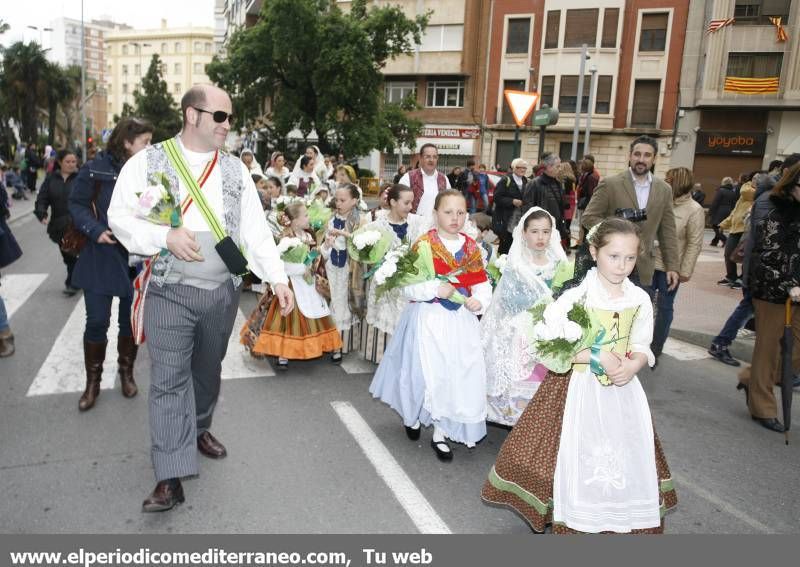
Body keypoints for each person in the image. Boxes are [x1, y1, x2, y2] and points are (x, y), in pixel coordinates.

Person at [107, 84, 293, 512]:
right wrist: (163, 236)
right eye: (221, 117)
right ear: (192, 116)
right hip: (169, 292)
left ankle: (200, 426)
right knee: (169, 381)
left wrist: (278, 278)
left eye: (230, 117)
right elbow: (119, 217)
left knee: (206, 372)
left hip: (221, 294)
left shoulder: (235, 170)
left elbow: (255, 230)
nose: (229, 125)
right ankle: (169, 476)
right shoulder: (146, 163)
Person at [482, 218, 677, 534]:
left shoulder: (639, 298)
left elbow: (642, 343)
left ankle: (614, 513)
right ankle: (575, 512)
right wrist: (593, 355)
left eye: (630, 258)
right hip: (578, 388)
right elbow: (546, 346)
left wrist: (633, 365)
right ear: (594, 251)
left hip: (622, 391)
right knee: (574, 451)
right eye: (614, 256)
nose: (622, 265)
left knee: (621, 452)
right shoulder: (576, 297)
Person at [370, 190, 492, 461]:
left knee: (455, 376)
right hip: (428, 321)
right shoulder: (424, 245)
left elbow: (482, 284)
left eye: (460, 213)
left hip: (460, 324)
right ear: (436, 214)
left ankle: (440, 431)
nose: (455, 218)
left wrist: (479, 301)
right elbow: (408, 287)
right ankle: (412, 417)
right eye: (448, 212)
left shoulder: (472, 248)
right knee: (424, 375)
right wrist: (435, 288)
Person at [68, 118, 154, 411]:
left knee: (129, 322)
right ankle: (93, 382)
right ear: (127, 142)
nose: (149, 147)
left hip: (135, 257)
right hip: (100, 255)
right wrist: (95, 230)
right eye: (145, 141)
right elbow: (76, 204)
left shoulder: (148, 172)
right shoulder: (95, 168)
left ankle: (126, 372)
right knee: (96, 321)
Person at [482, 207, 567, 426]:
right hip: (521, 334)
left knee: (545, 381)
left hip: (550, 333)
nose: (541, 237)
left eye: (546, 232)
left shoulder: (559, 264)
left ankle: (538, 426)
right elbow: (507, 302)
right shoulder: (517, 265)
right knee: (523, 379)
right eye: (535, 231)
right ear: (524, 233)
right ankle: (518, 425)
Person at [736, 163, 800, 433]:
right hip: (772, 290)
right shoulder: (773, 208)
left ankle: (752, 377)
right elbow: (765, 253)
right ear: (792, 184)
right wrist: (790, 284)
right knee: (769, 348)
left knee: (794, 352)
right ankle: (762, 407)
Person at [241, 201, 342, 369]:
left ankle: (330, 346)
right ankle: (284, 353)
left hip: (308, 284)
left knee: (318, 313)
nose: (309, 218)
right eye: (305, 215)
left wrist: (326, 246)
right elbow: (281, 265)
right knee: (287, 318)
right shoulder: (286, 239)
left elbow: (315, 256)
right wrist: (301, 268)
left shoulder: (308, 236)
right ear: (294, 220)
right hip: (291, 284)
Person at [581, 135, 679, 290]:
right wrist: (615, 225)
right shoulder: (610, 184)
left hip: (643, 267)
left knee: (639, 312)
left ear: (654, 159)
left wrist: (672, 266)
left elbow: (668, 231)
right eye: (637, 154)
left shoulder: (664, 189)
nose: (641, 159)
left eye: (647, 155)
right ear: (630, 156)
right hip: (610, 264)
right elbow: (588, 218)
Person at [362, 184, 428, 363]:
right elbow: (366, 254)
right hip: (385, 282)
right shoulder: (376, 226)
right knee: (385, 315)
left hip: (408, 282)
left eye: (411, 203)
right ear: (392, 202)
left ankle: (404, 358)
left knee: (406, 317)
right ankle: (383, 359)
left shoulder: (417, 223)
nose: (410, 207)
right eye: (406, 203)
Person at [650, 167, 705, 362]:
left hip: (670, 269)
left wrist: (685, 271)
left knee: (665, 307)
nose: (665, 182)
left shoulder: (694, 210)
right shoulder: (660, 201)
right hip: (648, 262)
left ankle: (656, 347)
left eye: (669, 179)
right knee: (643, 305)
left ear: (678, 182)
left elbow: (694, 243)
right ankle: (638, 343)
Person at [320, 183, 368, 355]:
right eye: (336, 200)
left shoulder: (360, 220)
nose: (338, 203)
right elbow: (323, 249)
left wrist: (345, 235)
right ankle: (329, 343)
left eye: (343, 200)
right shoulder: (331, 219)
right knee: (331, 302)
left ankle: (340, 346)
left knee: (344, 304)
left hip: (350, 269)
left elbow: (364, 245)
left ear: (354, 201)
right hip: (332, 268)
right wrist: (326, 244)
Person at [34, 149, 80, 296]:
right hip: (58, 225)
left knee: (73, 253)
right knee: (67, 255)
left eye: (74, 161)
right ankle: (75, 279)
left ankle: (73, 283)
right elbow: (42, 198)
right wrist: (41, 213)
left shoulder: (81, 178)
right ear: (60, 162)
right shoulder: (51, 179)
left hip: (78, 224)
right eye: (68, 161)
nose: (71, 164)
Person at [717, 173, 758, 289]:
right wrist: (724, 223)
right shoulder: (744, 194)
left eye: (757, 179)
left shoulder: (756, 193)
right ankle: (731, 276)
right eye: (753, 178)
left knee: (745, 256)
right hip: (736, 228)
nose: (755, 181)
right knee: (728, 253)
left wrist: (749, 184)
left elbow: (745, 191)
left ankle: (742, 278)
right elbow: (735, 212)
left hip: (747, 229)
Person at [397, 144, 451, 216]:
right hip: (413, 225)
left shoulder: (444, 179)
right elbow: (400, 202)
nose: (431, 160)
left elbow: (449, 203)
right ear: (420, 158)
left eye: (434, 157)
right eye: (428, 157)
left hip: (437, 224)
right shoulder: (408, 177)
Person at [491, 158, 528, 255]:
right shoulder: (505, 180)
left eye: (525, 168)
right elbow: (497, 198)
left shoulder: (526, 181)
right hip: (507, 217)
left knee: (518, 241)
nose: (523, 170)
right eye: (520, 167)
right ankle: (502, 262)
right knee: (506, 241)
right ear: (514, 168)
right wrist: (512, 201)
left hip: (520, 216)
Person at [708, 177, 737, 247]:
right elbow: (734, 203)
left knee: (715, 226)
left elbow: (716, 202)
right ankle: (714, 241)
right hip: (728, 211)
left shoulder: (721, 191)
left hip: (719, 210)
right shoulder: (733, 192)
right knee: (721, 227)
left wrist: (710, 212)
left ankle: (725, 240)